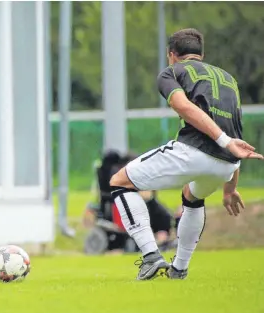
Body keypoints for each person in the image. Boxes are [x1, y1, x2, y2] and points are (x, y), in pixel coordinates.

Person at [108, 28, 263, 280]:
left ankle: (150, 256)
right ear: (201, 55)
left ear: (172, 54)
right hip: (226, 164)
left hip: (193, 150)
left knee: (120, 183)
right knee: (192, 197)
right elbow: (235, 132)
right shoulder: (228, 78)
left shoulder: (172, 72)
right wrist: (230, 186)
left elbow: (182, 106)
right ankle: (179, 269)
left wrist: (221, 140)